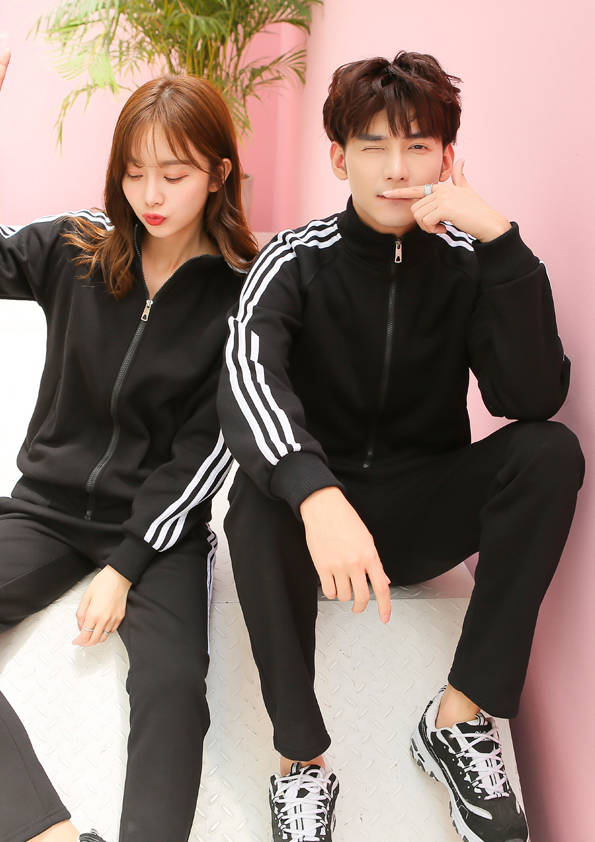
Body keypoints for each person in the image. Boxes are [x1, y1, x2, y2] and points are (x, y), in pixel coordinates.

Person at [217, 50, 584, 842]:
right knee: (252, 497)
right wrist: (316, 494)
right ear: (338, 158)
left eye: (417, 145)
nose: (395, 168)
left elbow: (528, 398)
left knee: (550, 451)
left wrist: (500, 240)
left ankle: (457, 718)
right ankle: (300, 762)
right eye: (373, 145)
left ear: (445, 158)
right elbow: (246, 376)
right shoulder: (293, 259)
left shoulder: (469, 265)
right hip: (314, 531)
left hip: (419, 516)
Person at [0, 50, 257, 842]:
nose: (150, 195)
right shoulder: (74, 248)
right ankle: (48, 835)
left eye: (173, 174)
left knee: (174, 687)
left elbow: (209, 448)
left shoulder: (243, 293)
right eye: (135, 172)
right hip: (45, 507)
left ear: (216, 174)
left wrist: (125, 564)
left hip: (161, 529)